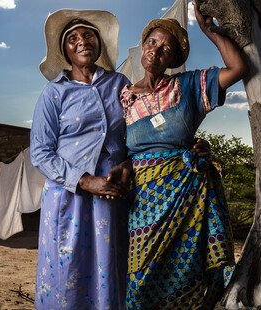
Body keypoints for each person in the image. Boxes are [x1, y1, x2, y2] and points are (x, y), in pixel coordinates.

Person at [30, 7, 214, 310]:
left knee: (109, 266)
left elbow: (144, 129)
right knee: (67, 266)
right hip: (69, 192)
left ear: (99, 43)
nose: (82, 41)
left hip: (116, 189)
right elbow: (41, 152)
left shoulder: (119, 85)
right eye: (73, 38)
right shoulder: (54, 93)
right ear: (64, 50)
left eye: (88, 35)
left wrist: (186, 144)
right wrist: (86, 181)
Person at [111, 2, 247, 309]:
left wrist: (209, 30)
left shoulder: (189, 86)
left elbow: (239, 68)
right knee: (139, 279)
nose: (157, 51)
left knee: (187, 275)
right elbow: (117, 146)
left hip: (187, 196)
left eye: (166, 48)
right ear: (143, 47)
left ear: (174, 59)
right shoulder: (124, 96)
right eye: (152, 43)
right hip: (142, 200)